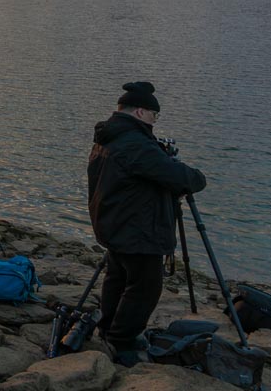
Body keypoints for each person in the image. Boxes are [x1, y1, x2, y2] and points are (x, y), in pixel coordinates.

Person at [87, 81, 206, 367]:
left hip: (113, 222)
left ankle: (108, 329)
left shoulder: (109, 136)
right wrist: (196, 175)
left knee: (118, 277)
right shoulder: (135, 144)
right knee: (145, 286)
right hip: (136, 230)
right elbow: (182, 178)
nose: (155, 121)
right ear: (140, 111)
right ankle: (122, 342)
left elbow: (139, 174)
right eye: (154, 115)